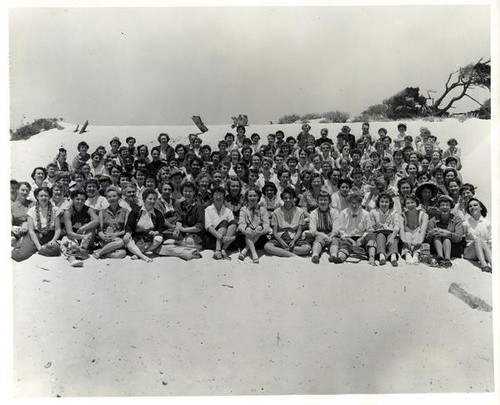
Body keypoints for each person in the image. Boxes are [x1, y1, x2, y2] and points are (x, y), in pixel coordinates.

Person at [12, 186, 61, 262]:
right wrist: (39, 247)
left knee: (56, 250)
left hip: (49, 235)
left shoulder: (55, 210)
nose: (43, 198)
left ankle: (37, 248)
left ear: (49, 197)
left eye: (46, 196)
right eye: (41, 196)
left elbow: (58, 229)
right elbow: (31, 231)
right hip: (35, 234)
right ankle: (22, 245)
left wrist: (53, 241)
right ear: (37, 197)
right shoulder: (31, 211)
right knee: (20, 256)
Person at [264, 187, 311, 258]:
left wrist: (294, 241)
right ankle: (292, 255)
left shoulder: (300, 211)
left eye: (290, 198)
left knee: (306, 248)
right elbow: (275, 231)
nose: (288, 200)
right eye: (285, 198)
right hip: (280, 235)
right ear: (282, 199)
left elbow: (299, 230)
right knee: (267, 247)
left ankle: (281, 251)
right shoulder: (276, 212)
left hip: (294, 235)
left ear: (294, 199)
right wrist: (280, 241)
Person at [330, 191, 376, 265]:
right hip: (348, 237)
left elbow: (369, 229)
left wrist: (361, 239)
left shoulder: (366, 214)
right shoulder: (343, 213)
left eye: (356, 203)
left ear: (360, 203)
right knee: (344, 245)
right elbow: (341, 230)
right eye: (352, 203)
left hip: (361, 238)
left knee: (371, 237)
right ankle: (341, 258)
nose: (354, 205)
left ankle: (371, 257)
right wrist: (351, 241)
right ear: (348, 203)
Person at [124, 189, 165, 262]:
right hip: (136, 237)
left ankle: (138, 253)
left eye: (154, 199)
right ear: (144, 199)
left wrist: (156, 232)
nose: (152, 201)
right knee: (126, 239)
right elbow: (128, 225)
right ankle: (143, 256)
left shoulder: (158, 213)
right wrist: (127, 233)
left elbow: (161, 227)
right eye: (150, 199)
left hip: (149, 238)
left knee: (159, 238)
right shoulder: (136, 211)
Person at [61, 189, 99, 267]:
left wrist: (82, 228)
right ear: (73, 199)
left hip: (84, 238)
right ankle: (73, 259)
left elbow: (96, 221)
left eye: (82, 200)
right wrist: (82, 236)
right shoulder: (68, 212)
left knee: (91, 229)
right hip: (73, 236)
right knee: (65, 242)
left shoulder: (88, 209)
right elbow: (69, 232)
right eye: (77, 199)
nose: (80, 202)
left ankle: (82, 251)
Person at [426, 195, 464, 268]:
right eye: (442, 205)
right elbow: (427, 238)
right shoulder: (433, 220)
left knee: (446, 237)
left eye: (447, 205)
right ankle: (440, 257)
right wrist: (433, 232)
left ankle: (447, 259)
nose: (445, 207)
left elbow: (459, 238)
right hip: (436, 247)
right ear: (439, 207)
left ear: (450, 207)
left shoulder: (457, 219)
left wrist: (448, 233)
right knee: (437, 237)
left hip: (452, 247)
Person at [93, 186, 128, 260]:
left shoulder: (125, 211)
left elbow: (126, 229)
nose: (112, 198)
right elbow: (99, 230)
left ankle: (100, 253)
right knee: (120, 244)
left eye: (114, 196)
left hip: (118, 239)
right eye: (109, 197)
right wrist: (104, 237)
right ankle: (102, 252)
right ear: (107, 199)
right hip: (106, 239)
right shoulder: (102, 212)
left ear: (119, 197)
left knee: (120, 254)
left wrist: (116, 234)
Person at [237, 188, 270, 263]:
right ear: (247, 198)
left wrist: (261, 232)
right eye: (250, 196)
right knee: (248, 229)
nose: (252, 198)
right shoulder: (244, 209)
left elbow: (266, 224)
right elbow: (241, 224)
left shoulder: (262, 209)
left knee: (258, 227)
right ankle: (254, 254)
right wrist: (245, 231)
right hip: (246, 236)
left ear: (258, 197)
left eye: (254, 196)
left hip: (259, 236)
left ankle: (245, 250)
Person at [205, 186, 237, 260]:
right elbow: (208, 227)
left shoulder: (228, 211)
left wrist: (231, 238)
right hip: (212, 238)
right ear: (212, 197)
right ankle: (217, 250)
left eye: (221, 195)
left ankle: (223, 250)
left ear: (224, 197)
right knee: (225, 222)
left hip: (225, 241)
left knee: (233, 223)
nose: (218, 197)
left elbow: (233, 227)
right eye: (216, 195)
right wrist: (221, 237)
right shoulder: (208, 209)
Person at [308, 190, 340, 263]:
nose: (323, 202)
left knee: (334, 241)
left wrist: (330, 237)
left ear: (329, 201)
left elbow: (336, 229)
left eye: (325, 200)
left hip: (331, 234)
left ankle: (333, 255)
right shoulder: (314, 213)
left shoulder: (334, 212)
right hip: (319, 234)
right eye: (321, 200)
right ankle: (315, 255)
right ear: (317, 201)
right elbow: (313, 231)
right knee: (318, 240)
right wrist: (323, 235)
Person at [369, 192, 401, 266]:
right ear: (378, 203)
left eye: (386, 202)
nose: (384, 204)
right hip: (378, 233)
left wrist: (392, 237)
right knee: (380, 236)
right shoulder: (373, 212)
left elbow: (397, 226)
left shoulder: (394, 212)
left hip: (391, 232)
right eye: (382, 202)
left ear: (390, 203)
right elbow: (372, 227)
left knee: (392, 237)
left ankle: (393, 257)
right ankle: (381, 256)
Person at [462, 198, 492, 273]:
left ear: (481, 208)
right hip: (470, 252)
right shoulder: (465, 223)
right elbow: (461, 237)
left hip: (485, 250)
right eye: (470, 206)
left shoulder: (487, 223)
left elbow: (491, 239)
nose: (472, 207)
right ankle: (484, 265)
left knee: (484, 243)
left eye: (475, 205)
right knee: (478, 240)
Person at [400, 194, 428, 264]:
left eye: (412, 202)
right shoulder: (402, 215)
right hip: (407, 237)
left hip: (418, 235)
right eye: (407, 203)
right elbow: (401, 229)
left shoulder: (424, 215)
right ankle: (407, 254)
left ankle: (416, 255)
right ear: (405, 205)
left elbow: (423, 229)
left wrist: (420, 241)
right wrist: (403, 240)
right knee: (407, 234)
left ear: (416, 203)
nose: (410, 205)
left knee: (417, 234)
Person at [11, 182, 34, 247]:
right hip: (15, 230)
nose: (25, 192)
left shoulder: (33, 204)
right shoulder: (12, 206)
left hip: (28, 229)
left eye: (27, 191)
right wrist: (12, 228)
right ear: (17, 190)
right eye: (23, 190)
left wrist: (25, 226)